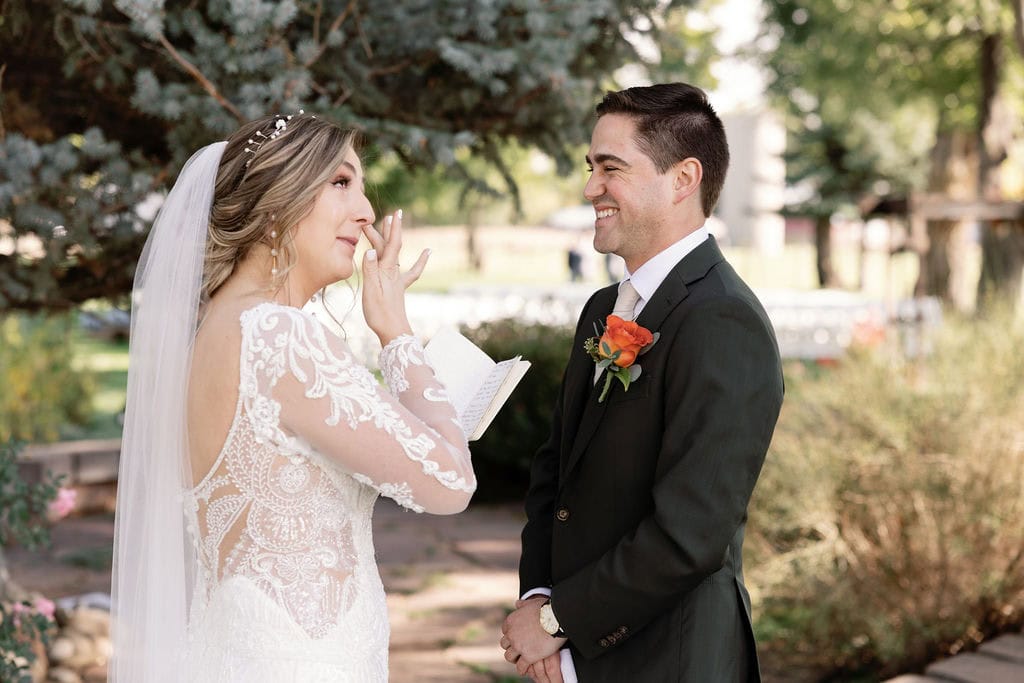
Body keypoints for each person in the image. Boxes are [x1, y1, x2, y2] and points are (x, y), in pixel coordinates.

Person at [109, 112, 476, 682]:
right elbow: (451, 483)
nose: (367, 211)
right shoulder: (278, 337)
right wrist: (396, 334)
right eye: (341, 182)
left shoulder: (207, 332)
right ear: (278, 199)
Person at [500, 83, 784, 682]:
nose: (590, 188)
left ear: (683, 179)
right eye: (591, 168)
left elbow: (690, 535)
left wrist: (557, 621)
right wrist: (538, 595)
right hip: (577, 656)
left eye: (611, 168)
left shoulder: (721, 319)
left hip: (669, 660)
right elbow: (556, 475)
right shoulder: (603, 308)